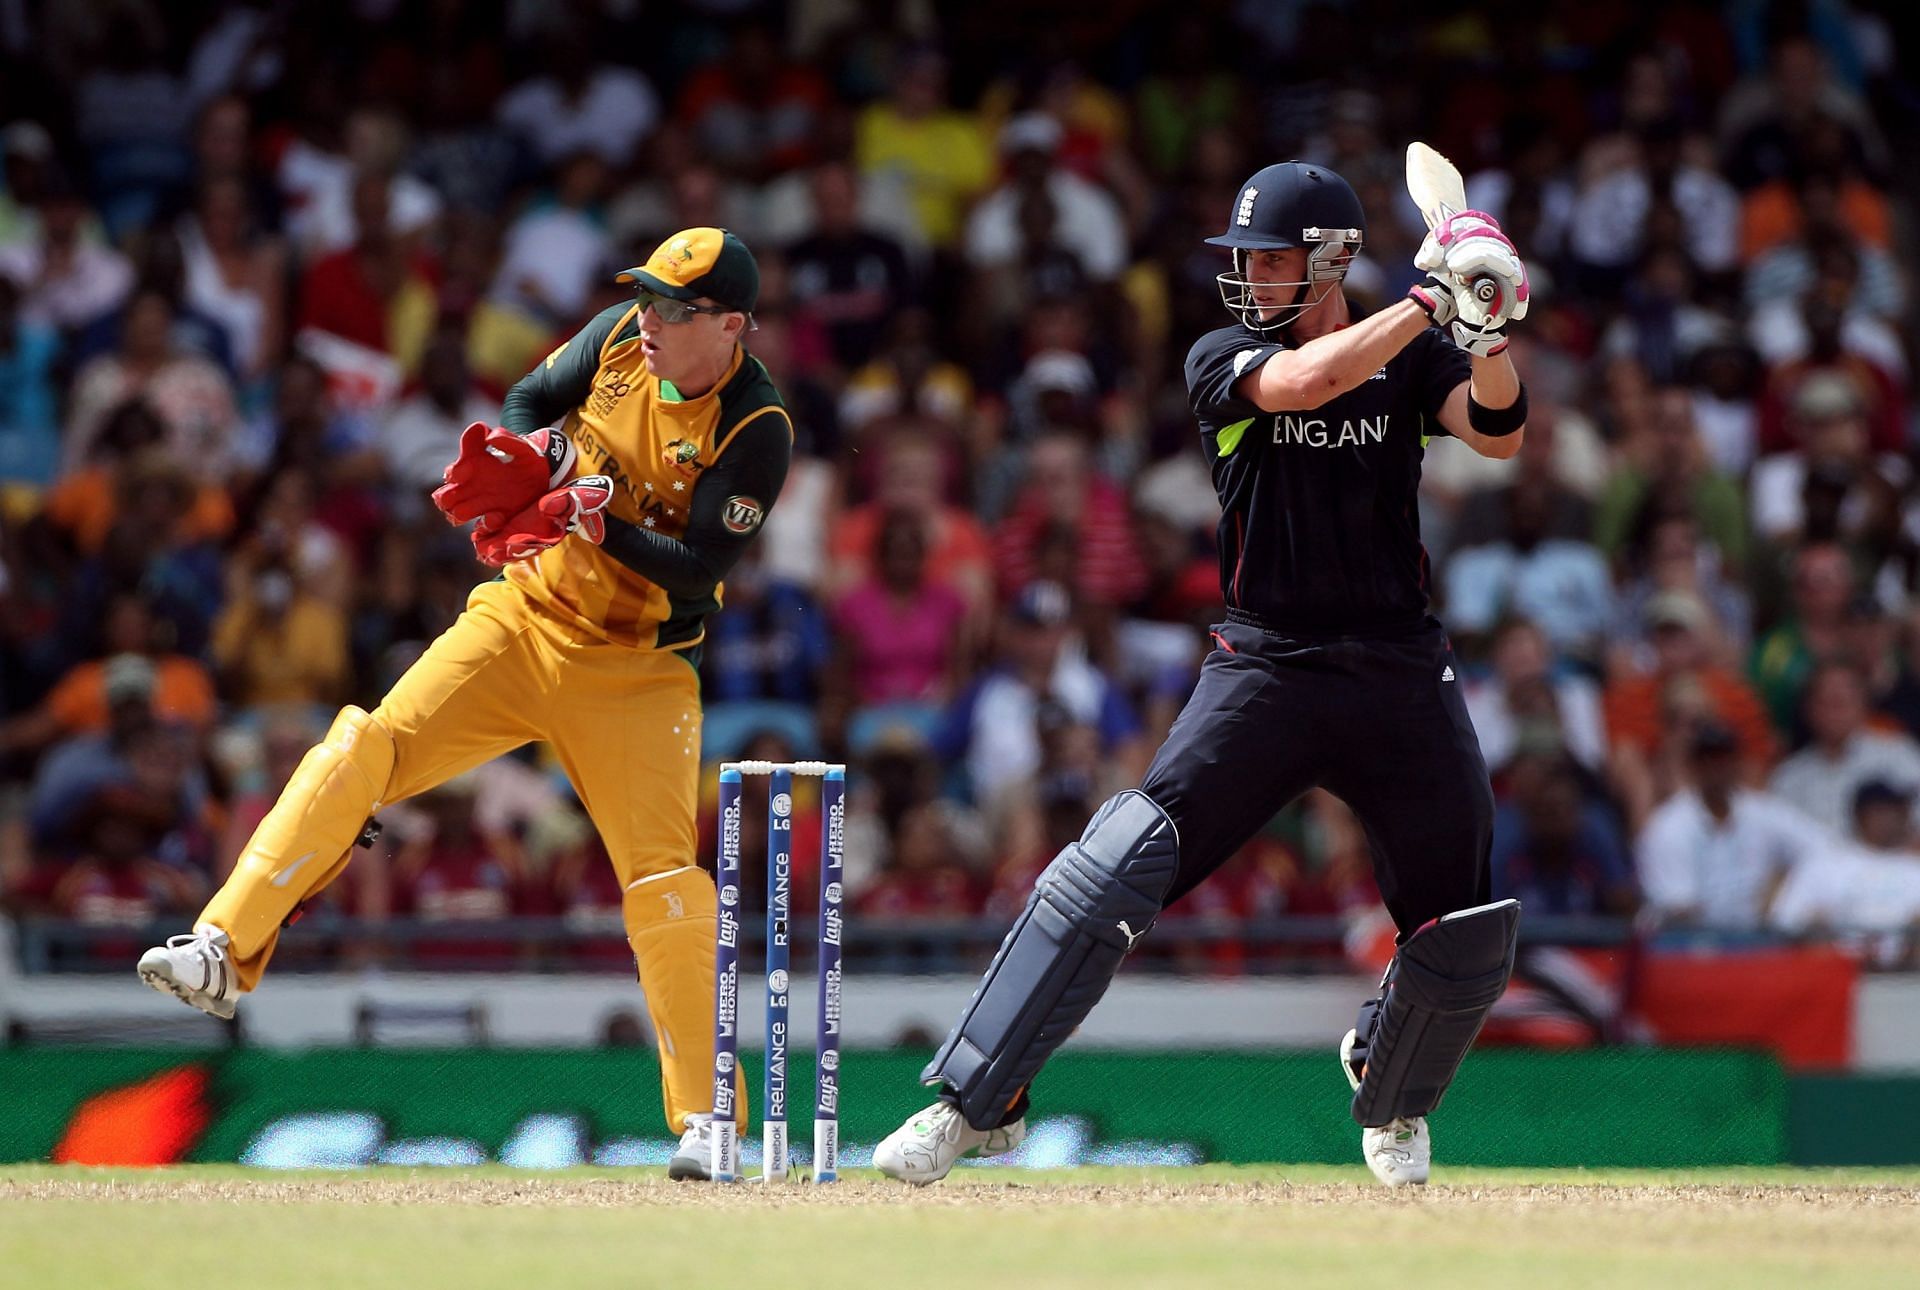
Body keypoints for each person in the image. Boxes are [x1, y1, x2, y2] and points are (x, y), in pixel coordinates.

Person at [874, 162, 1533, 1188]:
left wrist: (1486, 336)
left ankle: (1392, 1098)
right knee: (1120, 863)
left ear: (1333, 260)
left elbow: (1499, 432)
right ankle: (976, 1105)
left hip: (1399, 665)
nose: (1250, 278)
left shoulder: (1415, 357)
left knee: (1461, 929)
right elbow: (1309, 383)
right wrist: (1431, 300)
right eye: (1247, 260)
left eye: (1271, 260)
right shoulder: (1223, 353)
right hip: (1267, 662)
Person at [136, 228, 792, 1181]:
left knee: (662, 882)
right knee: (368, 745)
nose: (649, 319)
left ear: (730, 325)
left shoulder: (755, 426)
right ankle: (219, 948)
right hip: (521, 620)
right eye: (646, 298)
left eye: (674, 309)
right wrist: (544, 456)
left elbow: (700, 568)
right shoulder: (616, 337)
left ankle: (709, 1125)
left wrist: (590, 514)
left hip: (638, 668)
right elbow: (529, 400)